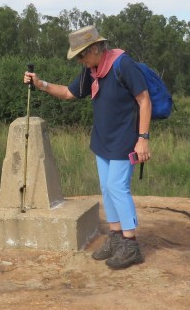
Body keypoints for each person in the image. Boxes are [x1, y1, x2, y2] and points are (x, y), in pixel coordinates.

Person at [23, 26, 151, 269]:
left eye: (81, 55)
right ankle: (115, 236)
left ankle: (131, 244)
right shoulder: (91, 71)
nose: (80, 61)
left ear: (94, 49)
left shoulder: (123, 65)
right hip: (102, 140)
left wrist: (143, 138)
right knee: (106, 187)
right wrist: (41, 84)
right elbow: (69, 93)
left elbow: (144, 100)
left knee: (117, 186)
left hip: (125, 139)